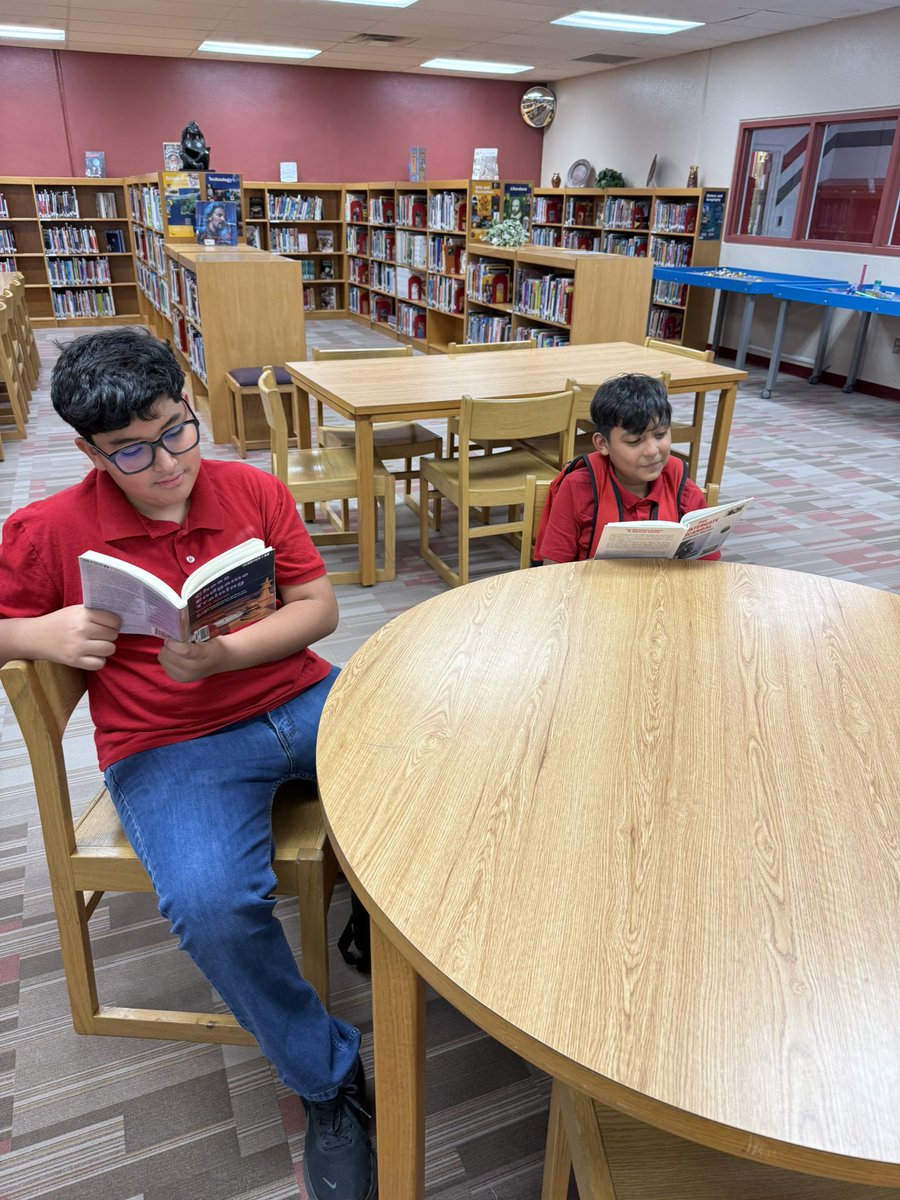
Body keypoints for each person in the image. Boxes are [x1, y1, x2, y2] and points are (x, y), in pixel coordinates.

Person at [0, 329, 377, 1200]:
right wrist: (35, 633)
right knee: (211, 906)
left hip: (299, 697)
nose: (166, 463)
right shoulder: (50, 528)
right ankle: (328, 1080)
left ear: (189, 405)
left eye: (176, 430)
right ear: (90, 451)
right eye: (131, 451)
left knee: (428, 759)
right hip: (170, 745)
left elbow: (317, 608)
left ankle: (367, 892)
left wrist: (226, 657)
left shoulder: (249, 488)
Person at [535, 373, 712, 564]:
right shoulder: (578, 488)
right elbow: (553, 569)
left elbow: (708, 565)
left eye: (660, 435)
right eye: (634, 441)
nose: (652, 451)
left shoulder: (682, 489)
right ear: (602, 443)